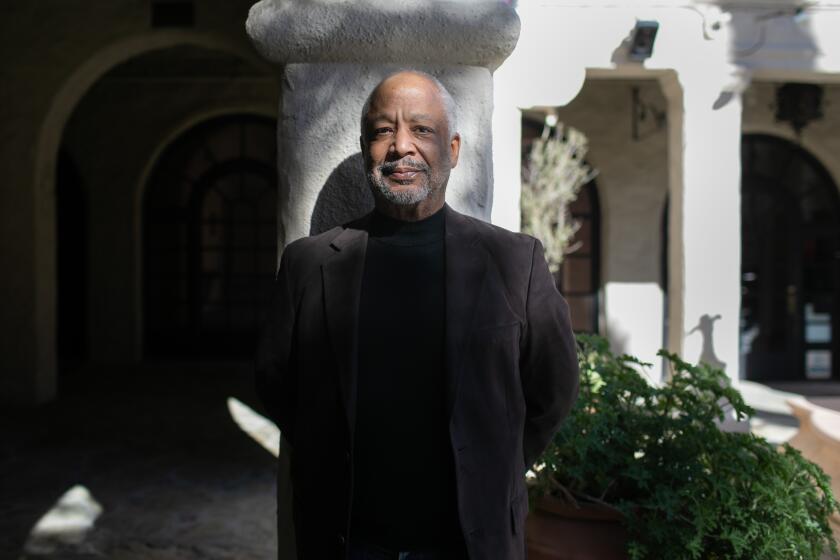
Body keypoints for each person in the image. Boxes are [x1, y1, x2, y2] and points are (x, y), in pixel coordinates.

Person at [256, 70, 579, 560]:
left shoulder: (516, 262)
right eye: (384, 130)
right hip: (347, 542)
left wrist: (496, 467)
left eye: (421, 130)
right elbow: (276, 382)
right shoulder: (309, 263)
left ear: (452, 149)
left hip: (470, 542)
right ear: (366, 146)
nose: (401, 146)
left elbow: (553, 389)